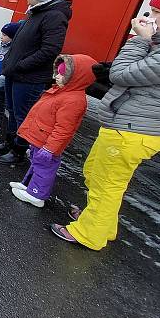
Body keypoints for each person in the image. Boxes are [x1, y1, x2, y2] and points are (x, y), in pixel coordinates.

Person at [52, 0, 160, 249]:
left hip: (134, 130)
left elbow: (122, 74)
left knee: (107, 183)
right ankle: (100, 222)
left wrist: (140, 41)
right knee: (95, 173)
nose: (149, 18)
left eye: (156, 12)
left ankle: (89, 234)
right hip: (128, 125)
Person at [0, 0, 72, 165]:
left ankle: (19, 151)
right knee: (11, 110)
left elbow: (50, 50)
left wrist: (21, 65)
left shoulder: (54, 16)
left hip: (29, 77)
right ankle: (9, 142)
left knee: (24, 115)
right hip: (16, 73)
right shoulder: (36, 12)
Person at [9, 54, 98, 208]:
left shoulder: (74, 100)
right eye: (58, 72)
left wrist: (50, 148)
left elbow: (64, 129)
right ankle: (29, 185)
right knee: (37, 163)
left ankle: (36, 194)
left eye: (63, 74)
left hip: (47, 143)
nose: (57, 76)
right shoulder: (61, 91)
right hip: (41, 139)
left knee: (44, 168)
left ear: (77, 78)